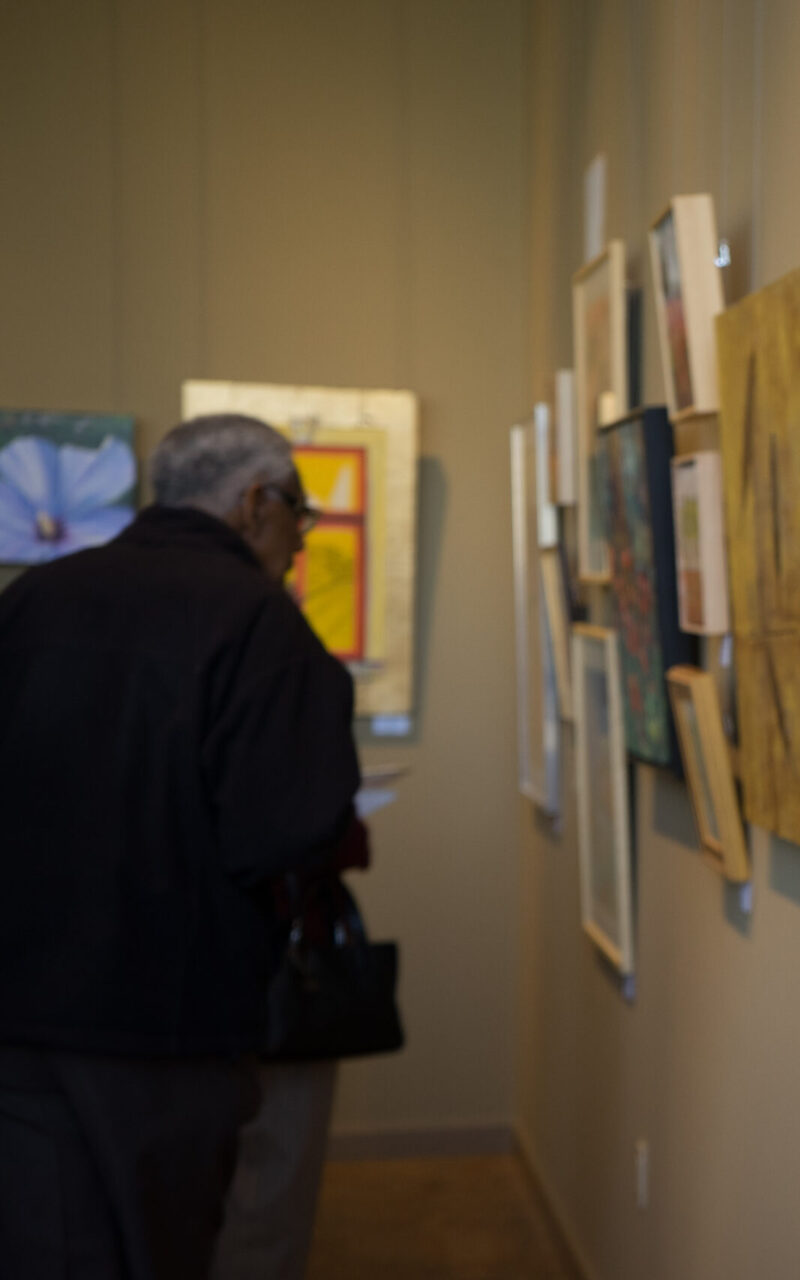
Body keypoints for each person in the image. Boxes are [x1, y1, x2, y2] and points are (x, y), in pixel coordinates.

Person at [0, 414, 361, 1279]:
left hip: (16, 1019)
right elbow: (288, 831)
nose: (298, 545)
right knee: (160, 1250)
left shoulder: (29, 603)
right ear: (253, 503)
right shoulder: (261, 627)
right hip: (169, 1031)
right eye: (298, 520)